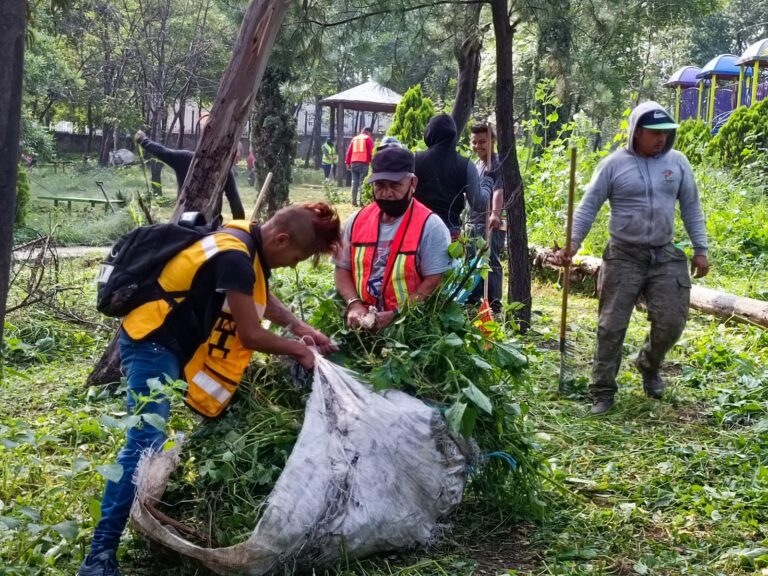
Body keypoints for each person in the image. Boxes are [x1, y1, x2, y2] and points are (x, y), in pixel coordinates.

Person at [78, 203, 342, 576]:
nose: (293, 265)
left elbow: (256, 298)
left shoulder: (245, 237)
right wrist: (300, 350)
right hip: (152, 342)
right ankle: (99, 556)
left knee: (163, 433)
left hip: (175, 343)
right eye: (297, 257)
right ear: (281, 240)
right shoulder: (235, 254)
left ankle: (155, 506)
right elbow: (250, 333)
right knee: (144, 441)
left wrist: (300, 327)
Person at [554, 101, 709, 415]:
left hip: (665, 253)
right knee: (611, 326)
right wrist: (571, 244)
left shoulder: (677, 163)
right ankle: (602, 391)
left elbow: (691, 207)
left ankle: (649, 365)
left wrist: (700, 249)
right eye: (655, 133)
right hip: (623, 253)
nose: (661, 139)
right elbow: (588, 207)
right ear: (636, 132)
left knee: (672, 322)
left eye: (666, 133)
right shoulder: (613, 165)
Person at [334, 145, 453, 331]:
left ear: (413, 184)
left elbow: (434, 281)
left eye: (395, 185)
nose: (387, 194)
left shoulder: (431, 227)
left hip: (411, 329)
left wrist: (397, 314)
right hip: (361, 329)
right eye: (380, 185)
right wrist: (354, 304)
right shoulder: (356, 221)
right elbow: (342, 269)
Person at [134, 130, 246, 220]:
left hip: (186, 221)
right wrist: (241, 230)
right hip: (206, 226)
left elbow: (162, 152)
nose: (235, 161)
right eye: (236, 157)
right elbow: (236, 205)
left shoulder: (185, 158)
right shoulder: (188, 159)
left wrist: (143, 140)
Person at [413, 114, 488, 241]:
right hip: (449, 233)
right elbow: (478, 203)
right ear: (453, 136)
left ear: (429, 134)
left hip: (418, 230)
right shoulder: (465, 165)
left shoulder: (415, 160)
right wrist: (488, 182)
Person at [467, 121, 505, 314]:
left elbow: (498, 190)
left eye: (482, 142)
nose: (478, 146)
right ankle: (474, 298)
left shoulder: (497, 163)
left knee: (492, 261)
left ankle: (495, 303)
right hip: (474, 220)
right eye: (474, 142)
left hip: (490, 221)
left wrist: (495, 214)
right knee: (474, 259)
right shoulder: (476, 164)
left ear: (493, 141)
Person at [344, 126, 374, 206]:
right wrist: (373, 162)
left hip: (353, 163)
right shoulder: (368, 139)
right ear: (368, 132)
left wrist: (347, 162)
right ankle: (362, 202)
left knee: (354, 182)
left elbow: (349, 152)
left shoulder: (355, 139)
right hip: (363, 163)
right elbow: (371, 152)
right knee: (362, 183)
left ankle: (353, 201)